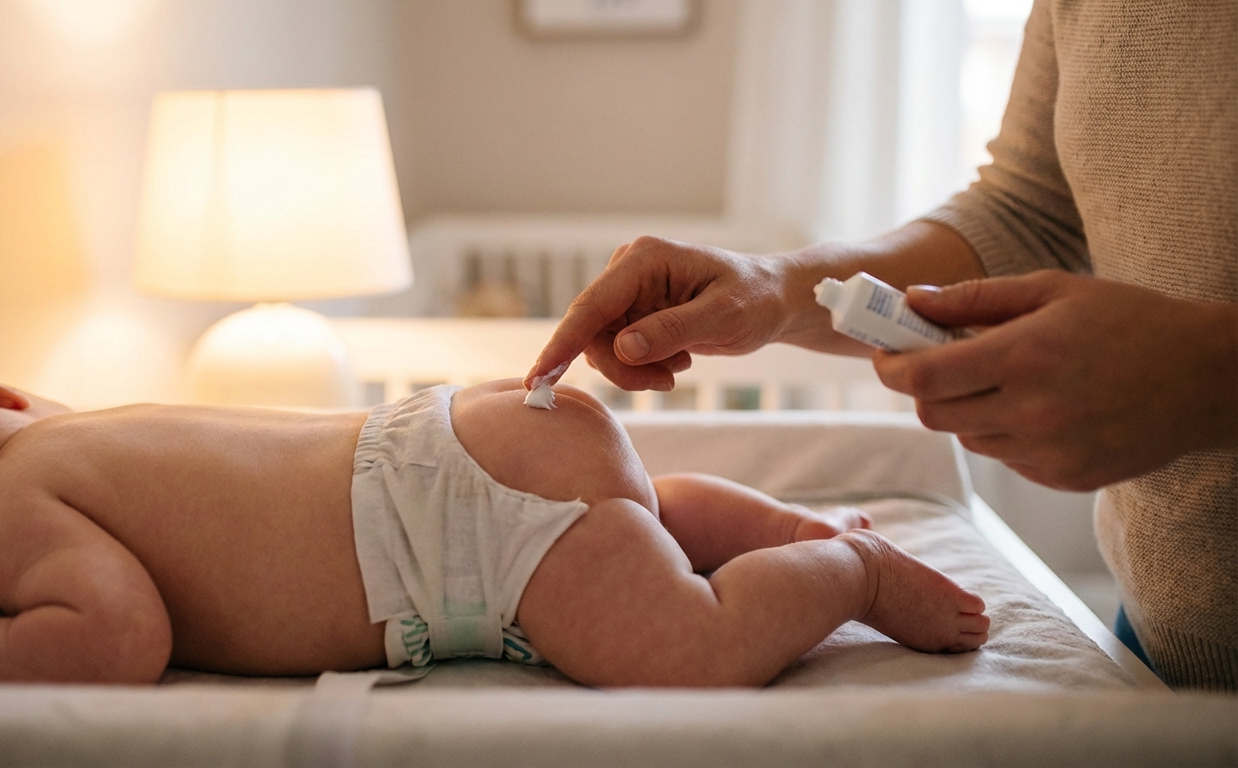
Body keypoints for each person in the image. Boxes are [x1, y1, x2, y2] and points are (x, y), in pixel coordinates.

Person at [525, 1, 1236, 691]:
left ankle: (855, 565)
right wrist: (777, 287)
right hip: (1164, 632)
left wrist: (1212, 377)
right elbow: (1029, 212)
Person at [0, 369, 986, 687]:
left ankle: (849, 569)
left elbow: (113, 636)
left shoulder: (0, 519)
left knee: (681, 646)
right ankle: (770, 525)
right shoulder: (82, 427)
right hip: (455, 427)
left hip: (448, 523)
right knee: (629, 523)